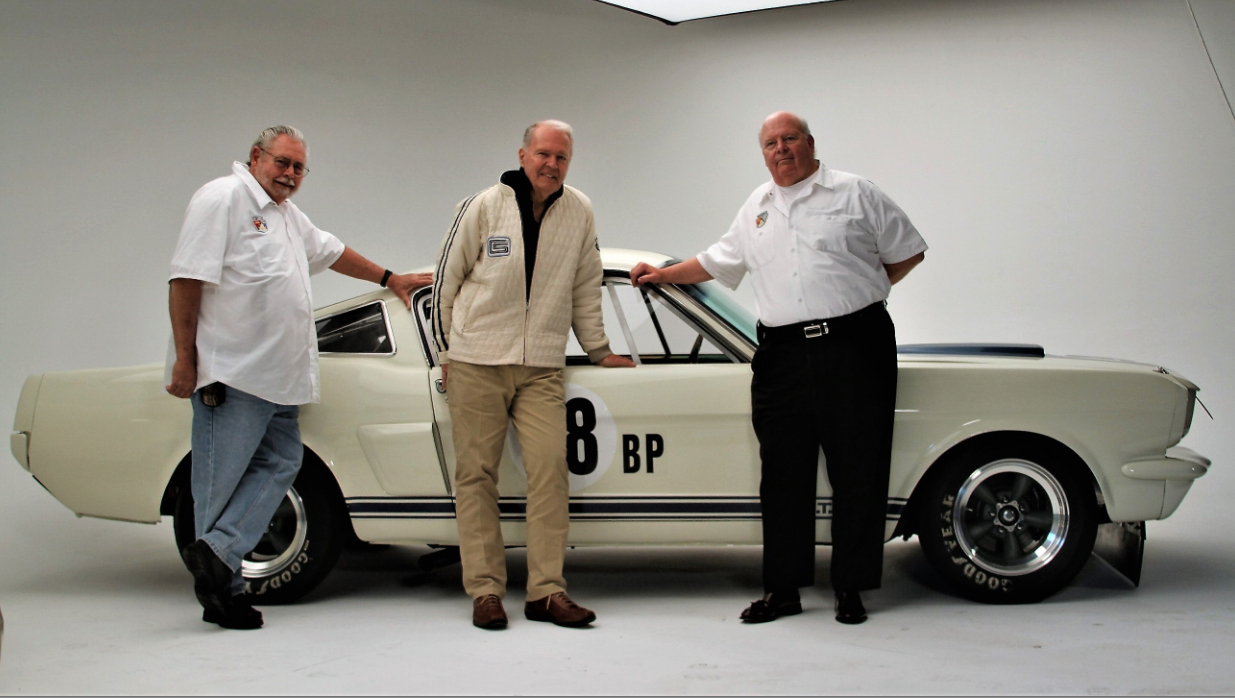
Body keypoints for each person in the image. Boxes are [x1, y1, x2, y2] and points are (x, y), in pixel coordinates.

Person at [631, 111, 926, 625]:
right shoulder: (757, 207)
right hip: (782, 356)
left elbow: (907, 253)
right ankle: (783, 589)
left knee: (858, 468)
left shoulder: (855, 192)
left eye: (790, 139)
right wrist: (662, 275)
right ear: (763, 152)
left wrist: (859, 294)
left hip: (855, 347)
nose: (781, 149)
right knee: (783, 473)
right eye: (771, 142)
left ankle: (851, 588)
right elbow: (717, 261)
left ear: (810, 143)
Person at [165, 125, 431, 630]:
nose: (289, 174)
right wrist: (186, 360)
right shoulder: (222, 199)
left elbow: (332, 252)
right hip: (233, 374)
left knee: (283, 461)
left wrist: (390, 279)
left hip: (279, 377)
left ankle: (219, 558)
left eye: (298, 168)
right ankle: (223, 596)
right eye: (282, 162)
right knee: (219, 484)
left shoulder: (285, 216)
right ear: (255, 157)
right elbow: (186, 278)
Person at [432, 120, 635, 630]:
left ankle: (546, 591)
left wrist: (599, 349)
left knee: (550, 471)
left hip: (542, 365)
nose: (552, 164)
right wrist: (445, 353)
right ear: (523, 155)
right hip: (478, 360)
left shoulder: (579, 210)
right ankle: (485, 591)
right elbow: (446, 279)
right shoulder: (482, 206)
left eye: (562, 157)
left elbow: (586, 285)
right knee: (476, 475)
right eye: (543, 154)